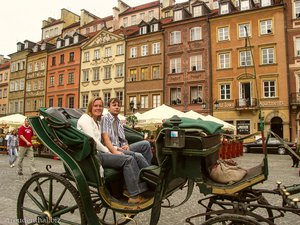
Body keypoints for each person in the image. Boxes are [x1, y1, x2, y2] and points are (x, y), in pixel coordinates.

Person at [77, 97, 150, 204]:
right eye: (96, 105)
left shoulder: (96, 121)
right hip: (93, 156)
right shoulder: (85, 119)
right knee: (129, 159)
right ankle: (134, 194)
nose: (98, 108)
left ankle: (142, 185)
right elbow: (94, 142)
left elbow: (102, 142)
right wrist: (110, 151)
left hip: (100, 152)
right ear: (90, 107)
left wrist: (117, 148)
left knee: (134, 155)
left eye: (100, 106)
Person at [101, 98, 153, 165]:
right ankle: (147, 172)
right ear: (109, 108)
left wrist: (126, 145)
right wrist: (116, 150)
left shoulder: (119, 121)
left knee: (146, 144)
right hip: (114, 149)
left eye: (118, 105)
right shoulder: (105, 119)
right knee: (138, 156)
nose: (117, 107)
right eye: (114, 105)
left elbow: (123, 139)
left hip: (122, 147)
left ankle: (147, 169)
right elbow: (106, 140)